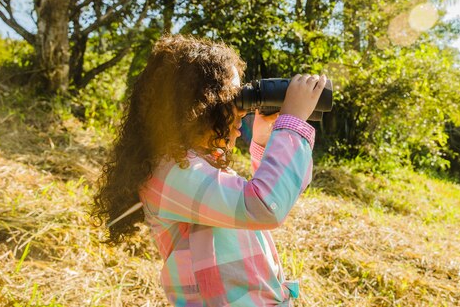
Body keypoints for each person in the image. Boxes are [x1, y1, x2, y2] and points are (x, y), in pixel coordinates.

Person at [92, 34, 327, 306]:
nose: (241, 110)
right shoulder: (171, 172)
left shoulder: (192, 164)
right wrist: (292, 121)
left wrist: (264, 137)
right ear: (199, 105)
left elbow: (278, 192)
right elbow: (264, 205)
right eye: (232, 98)